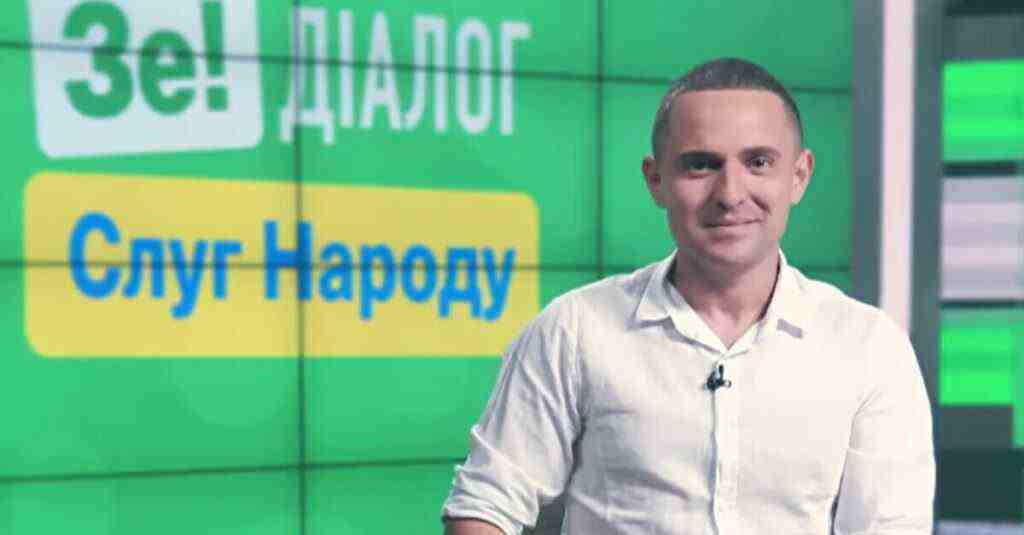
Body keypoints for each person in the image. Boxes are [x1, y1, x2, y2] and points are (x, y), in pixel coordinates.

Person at [440, 57, 935, 535]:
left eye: (758, 162)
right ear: (656, 180)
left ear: (799, 176)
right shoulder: (575, 329)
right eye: (701, 165)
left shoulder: (869, 346)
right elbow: (483, 506)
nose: (731, 193)